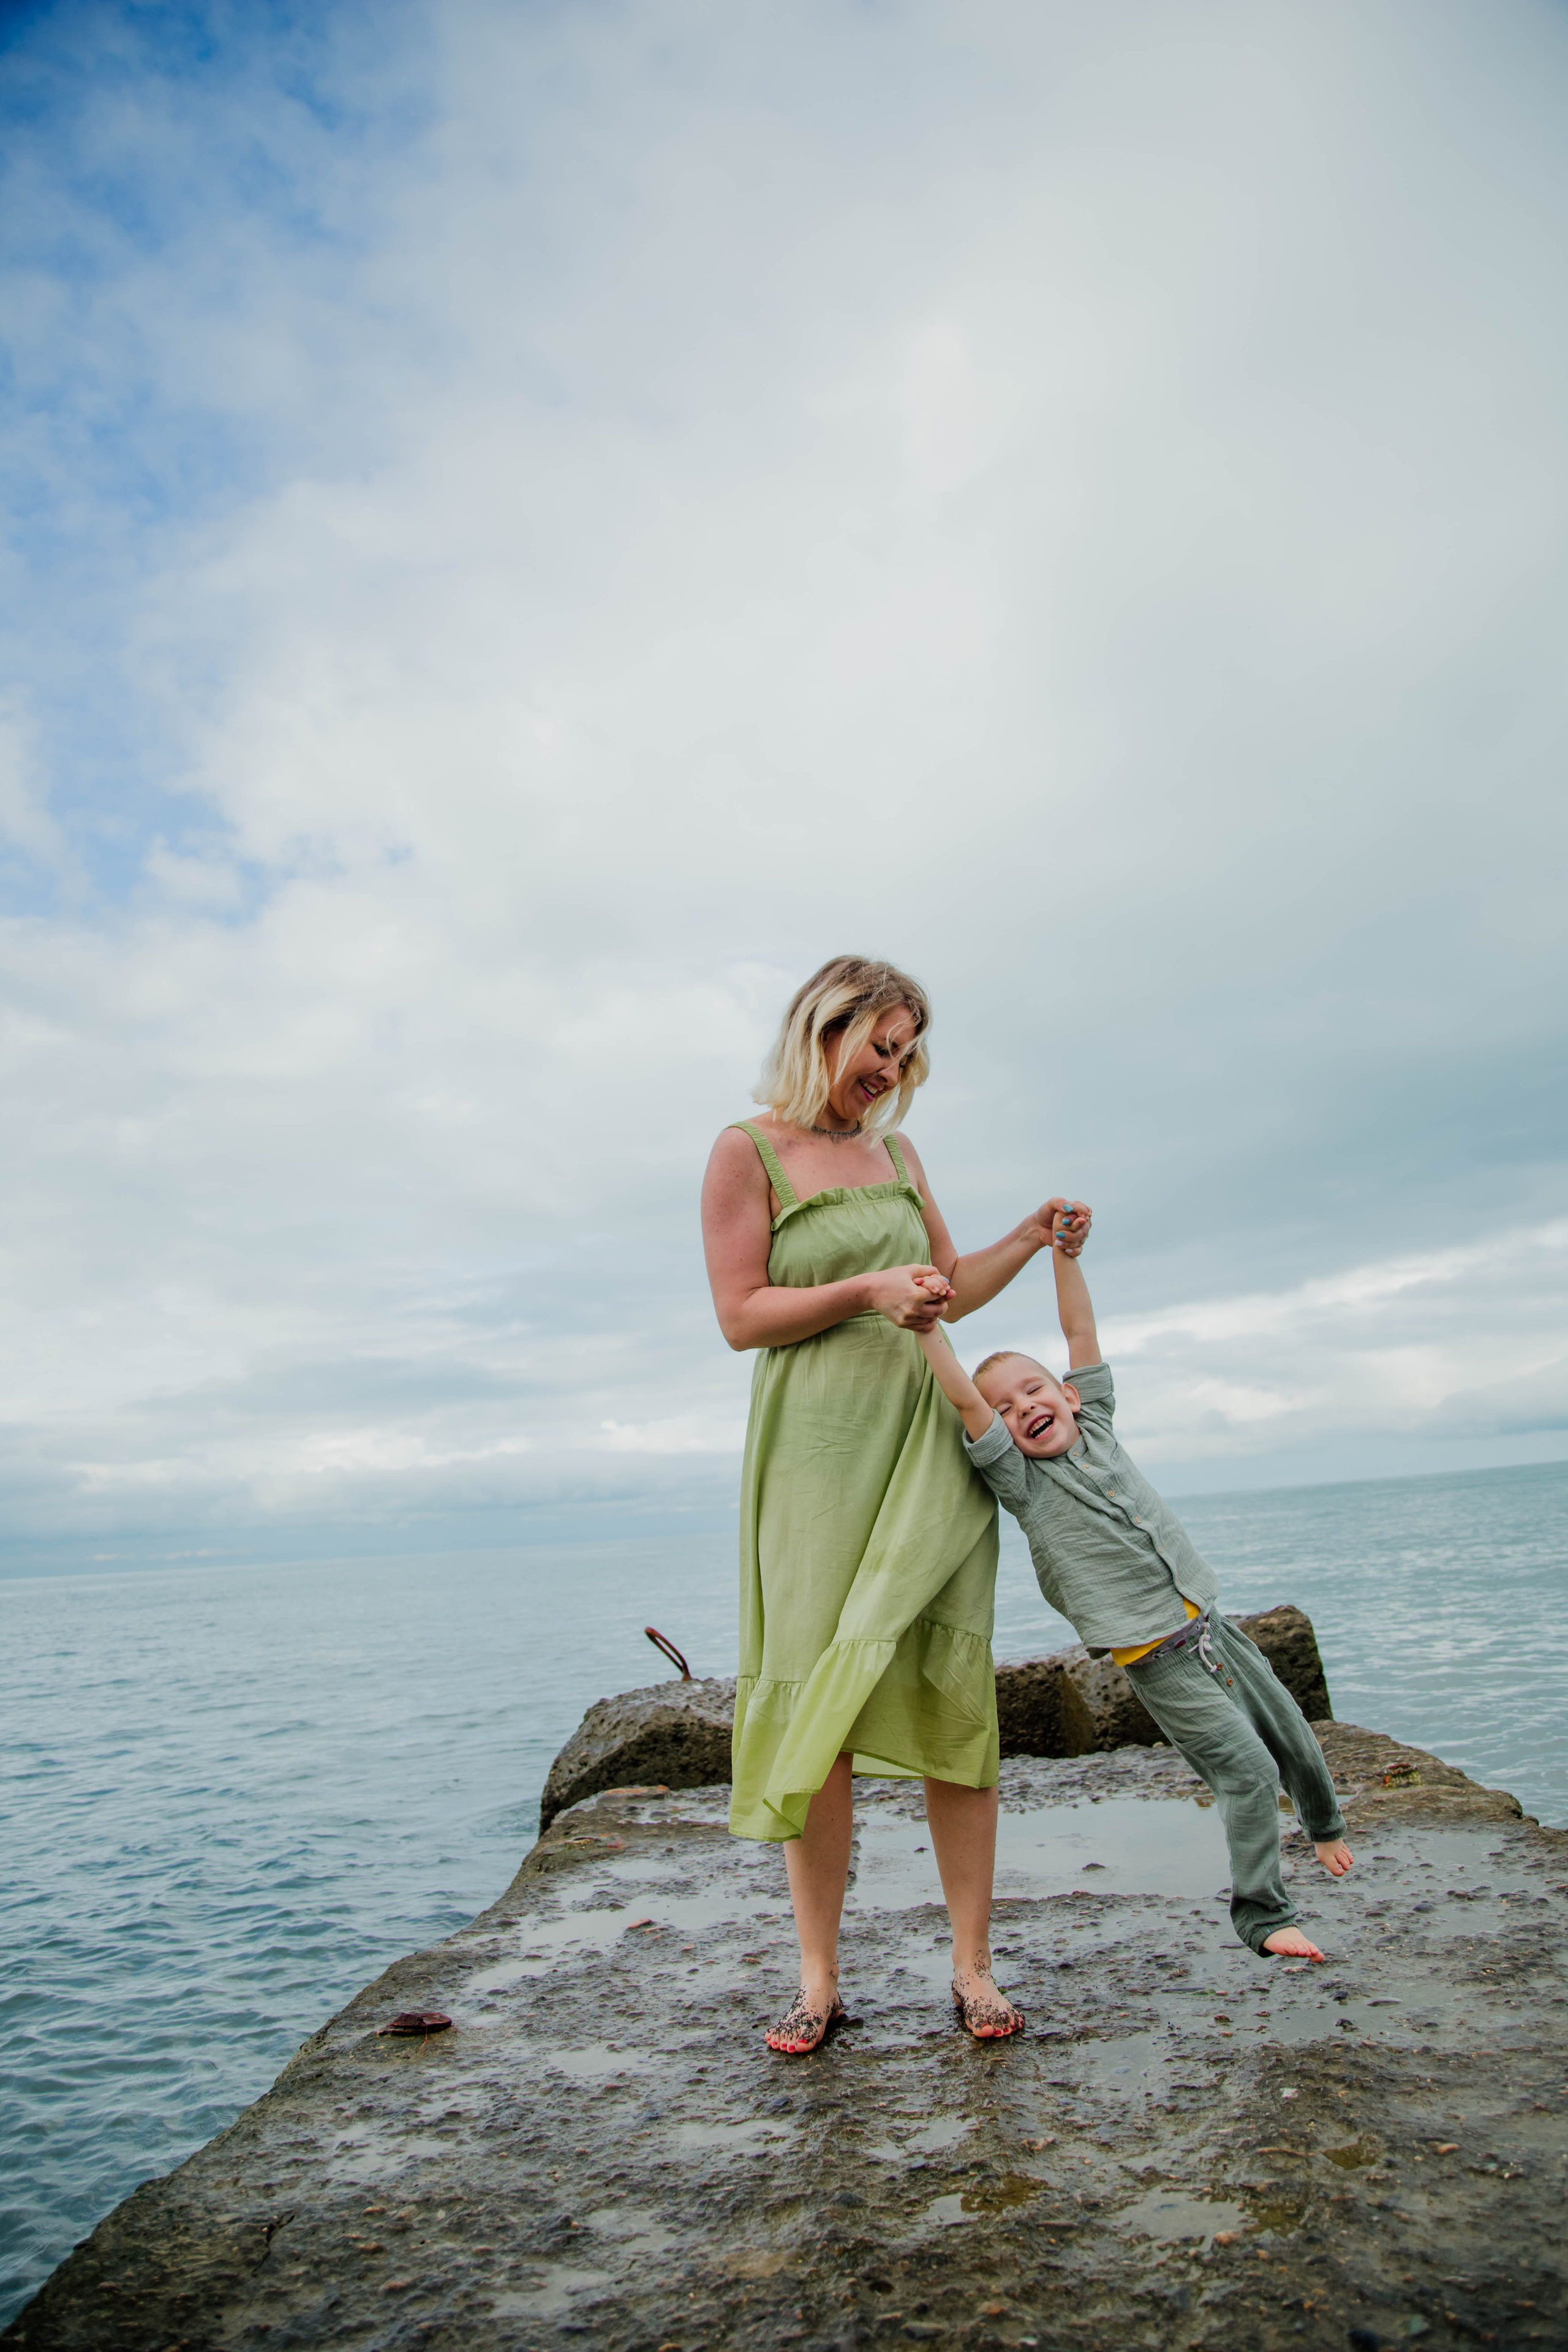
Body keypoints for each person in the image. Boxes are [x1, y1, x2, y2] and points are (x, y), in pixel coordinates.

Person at [701, 956, 1087, 2052]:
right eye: (880, 1045)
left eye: (908, 1051)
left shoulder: (899, 1152)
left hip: (931, 1440)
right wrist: (867, 1290)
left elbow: (945, 1286)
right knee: (819, 1710)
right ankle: (819, 1980)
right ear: (823, 1028)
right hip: (815, 1458)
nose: (893, 1068)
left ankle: (974, 1967)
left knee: (955, 1695)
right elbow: (741, 1314)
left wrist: (1029, 1236)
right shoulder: (748, 1151)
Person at [915, 1202, 1354, 1962]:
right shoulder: (1020, 1480)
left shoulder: (1102, 1424)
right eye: (1007, 1408)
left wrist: (1063, 1254)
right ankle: (1261, 1914)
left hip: (1213, 1624)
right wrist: (926, 1330)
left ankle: (1324, 1826)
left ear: (1070, 1396)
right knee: (1246, 1769)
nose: (1024, 1407)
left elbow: (1080, 1335)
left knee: (1289, 1732)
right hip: (1158, 1657)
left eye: (1035, 1390)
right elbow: (961, 1394)